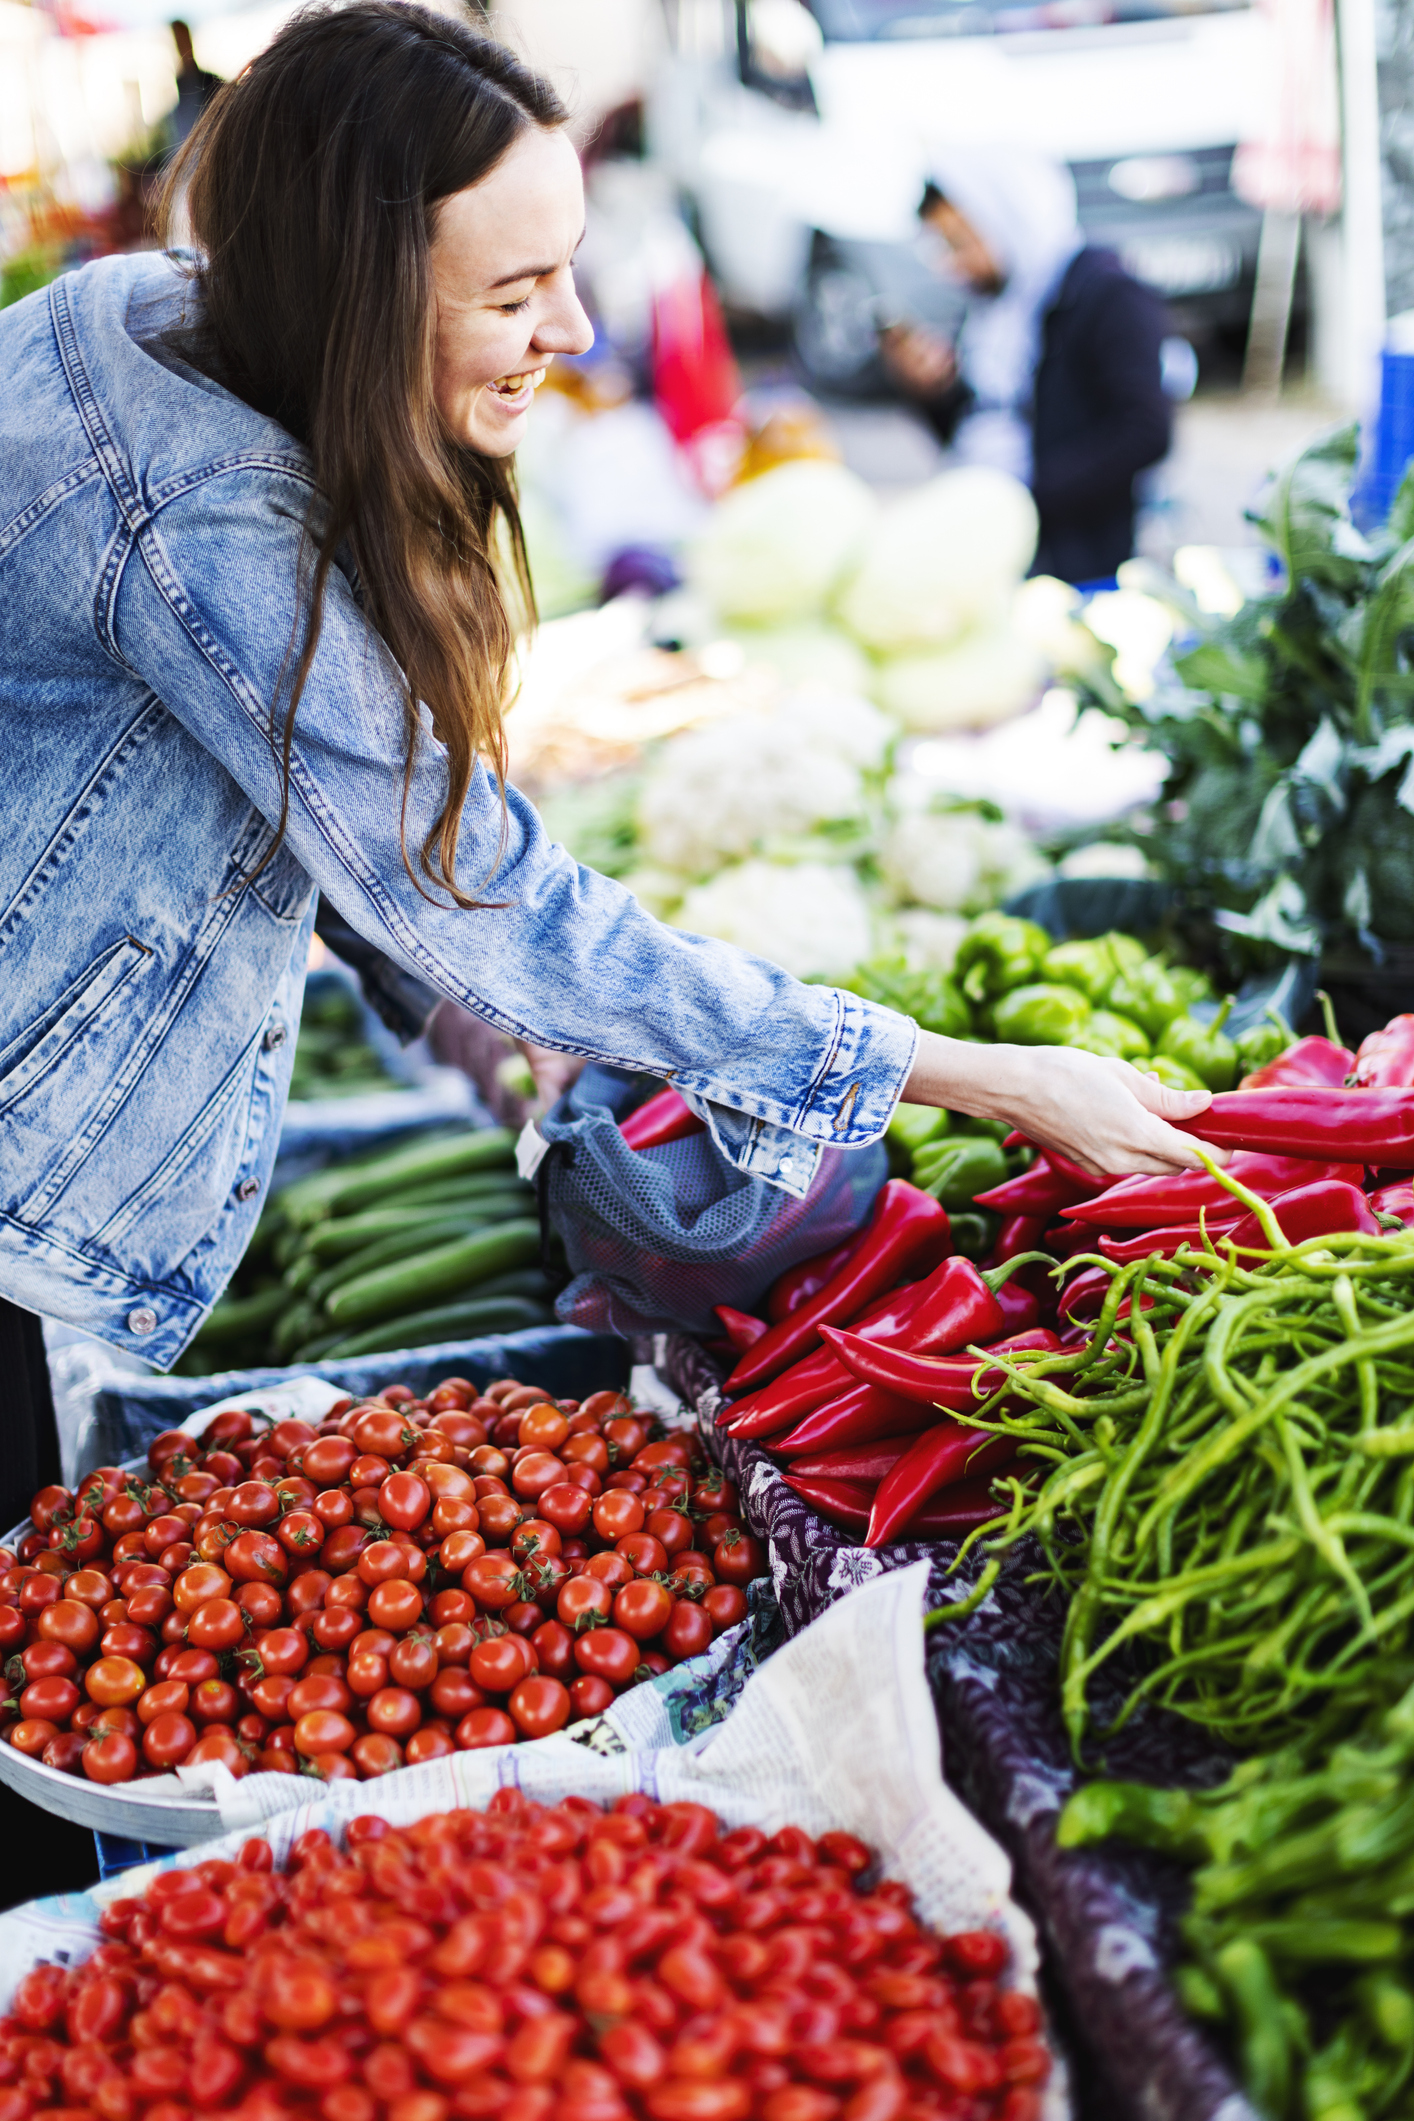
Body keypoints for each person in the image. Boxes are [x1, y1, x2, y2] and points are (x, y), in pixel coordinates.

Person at [0, 3, 1215, 1428]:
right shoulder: (211, 511)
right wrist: (991, 1082)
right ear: (353, 293)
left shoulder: (134, 313)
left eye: (567, 272)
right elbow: (474, 885)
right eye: (513, 293)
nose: (570, 334)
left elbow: (273, 782)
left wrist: (504, 1011)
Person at [884, 149, 1172, 583]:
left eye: (960, 243)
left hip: (1075, 560)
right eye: (942, 247)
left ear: (1008, 218)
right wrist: (931, 392)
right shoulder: (996, 309)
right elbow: (979, 428)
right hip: (990, 537)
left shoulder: (1106, 295)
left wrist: (1026, 496)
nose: (953, 265)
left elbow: (1145, 432)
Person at [169, 20, 223, 148]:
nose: (181, 46)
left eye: (182, 39)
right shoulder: (178, 87)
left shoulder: (211, 81)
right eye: (177, 41)